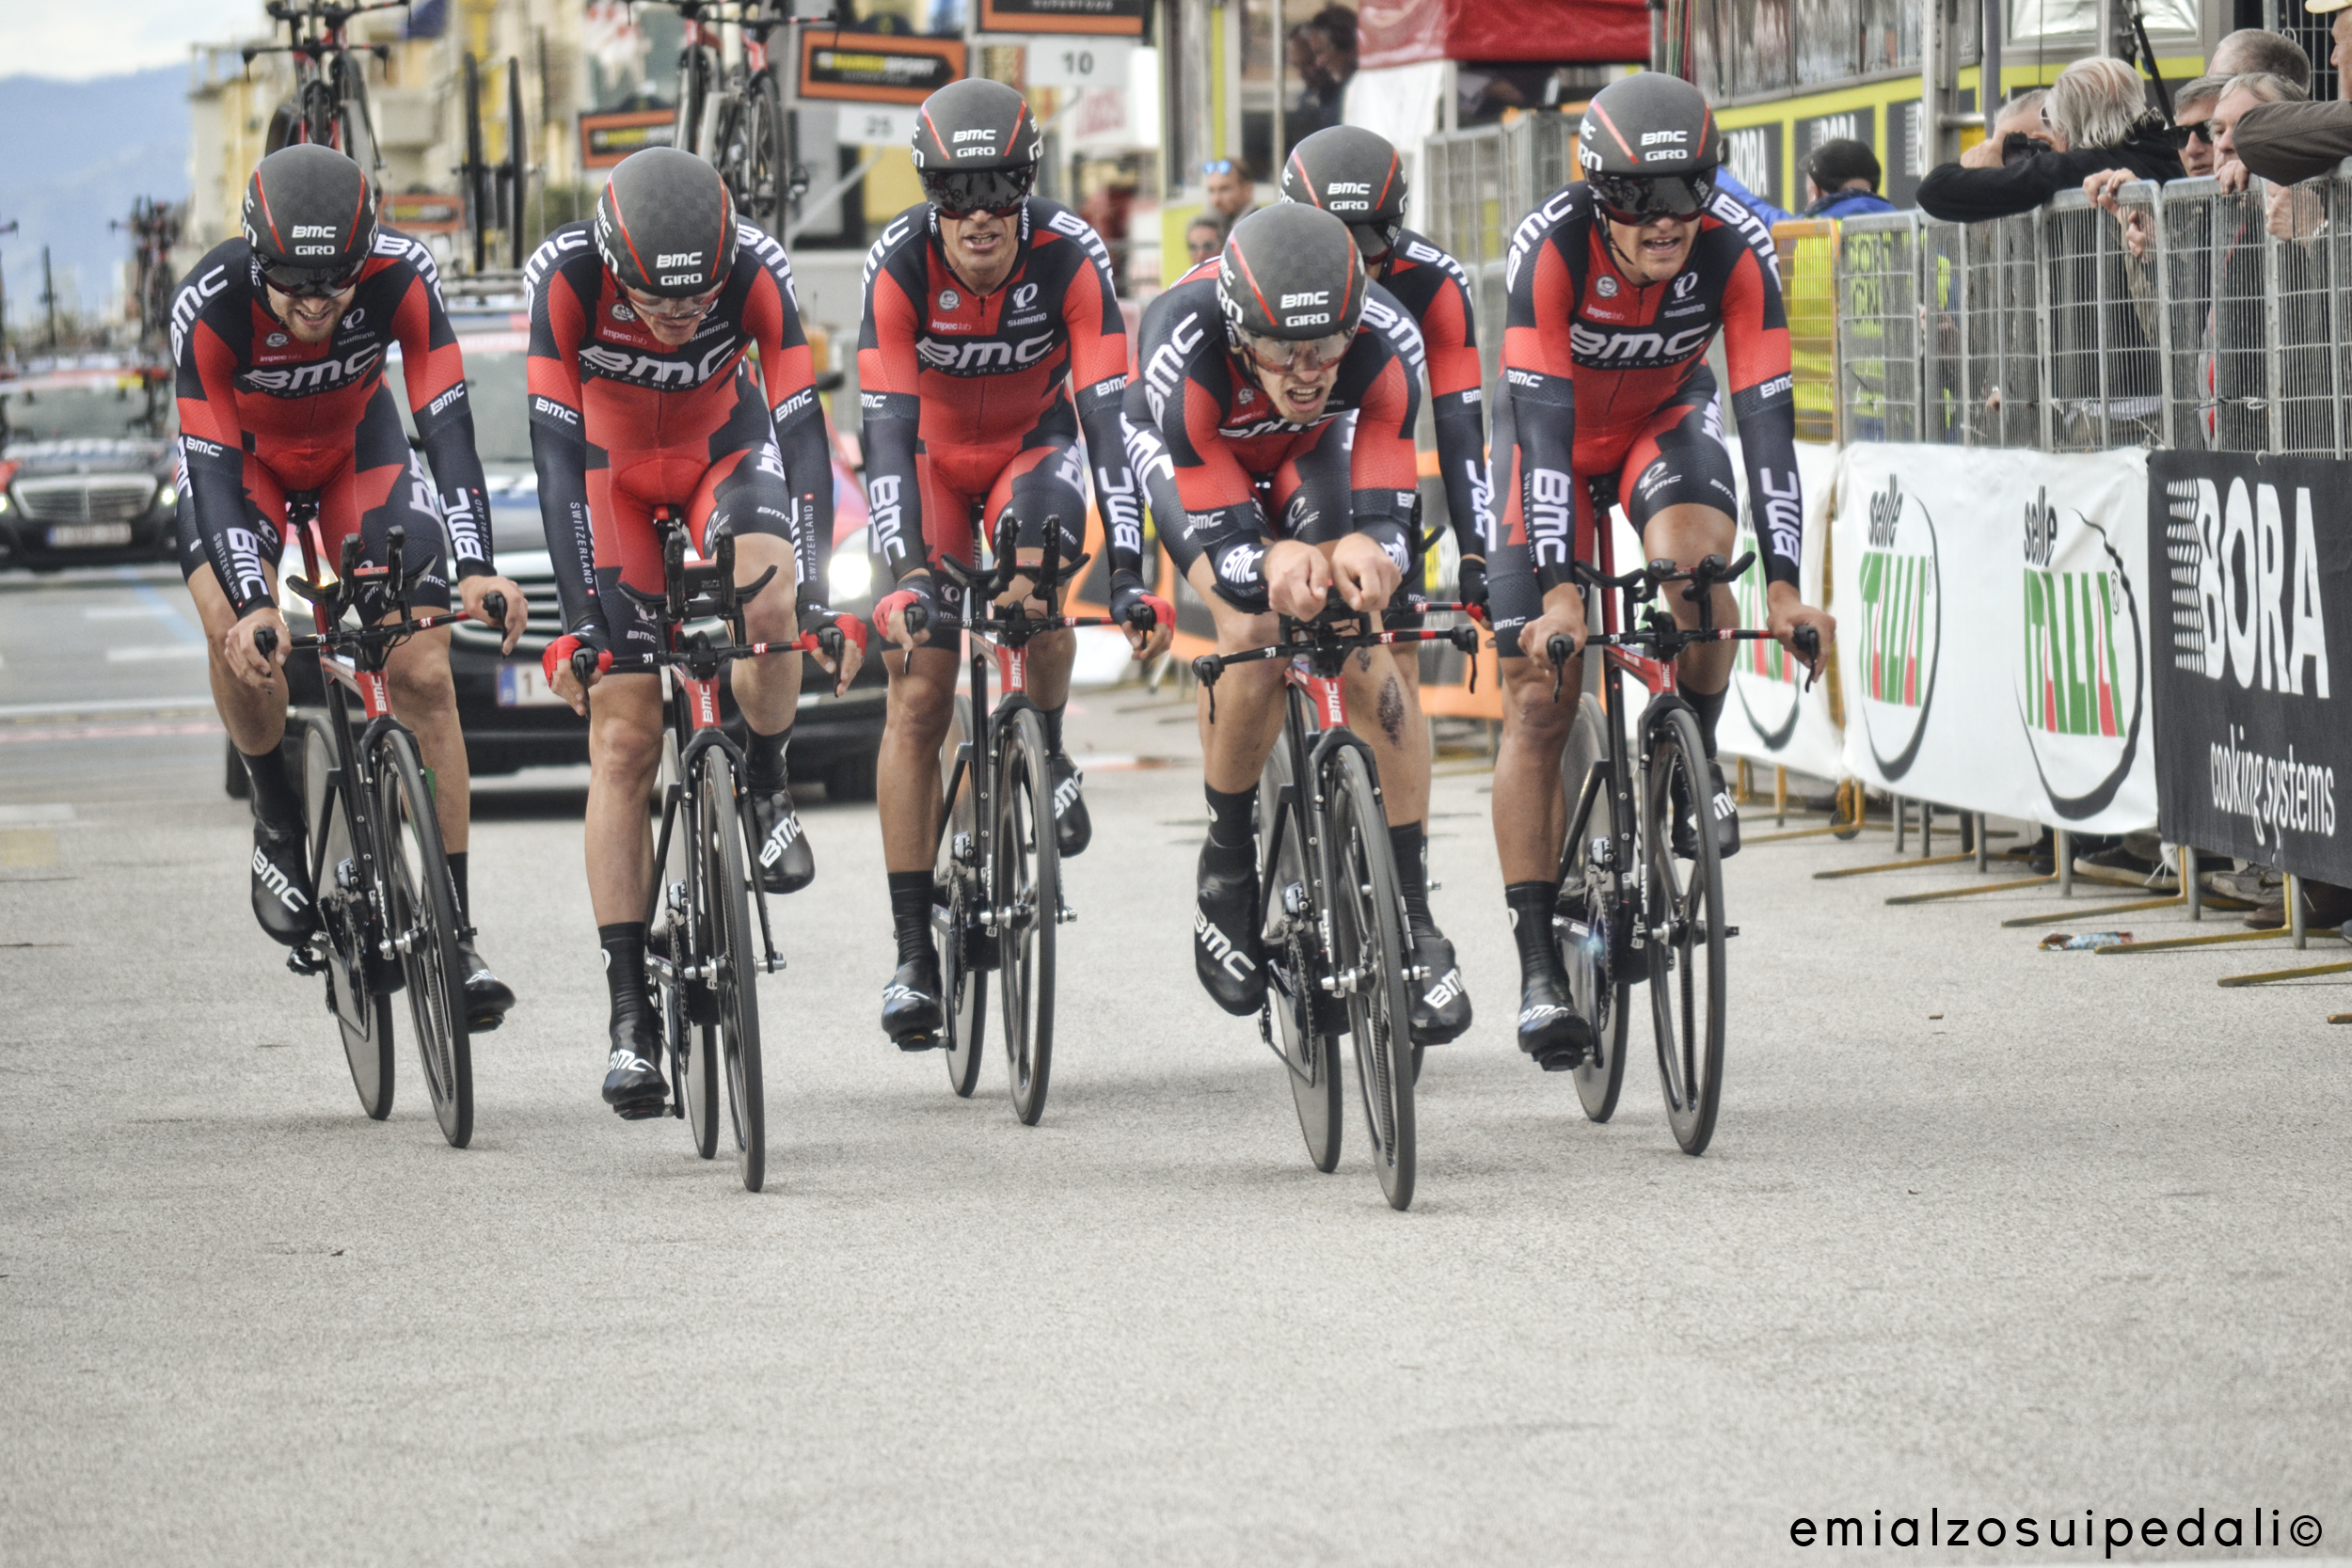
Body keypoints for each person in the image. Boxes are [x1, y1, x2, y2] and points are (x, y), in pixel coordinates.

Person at [1486, 71, 1835, 1069]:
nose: (1666, 219)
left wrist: (1783, 589)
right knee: (1538, 696)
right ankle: (1538, 967)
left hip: (1662, 422)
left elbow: (1767, 423)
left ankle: (1691, 758)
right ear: (1600, 194)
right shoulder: (1552, 246)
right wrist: (1562, 595)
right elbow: (1541, 433)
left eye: (1687, 191)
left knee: (1699, 573)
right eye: (1638, 197)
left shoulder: (1736, 246)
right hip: (1549, 442)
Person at [529, 147, 855, 1116]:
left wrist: (817, 597)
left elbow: (801, 428)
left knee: (770, 600)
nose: (678, 318)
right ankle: (630, 1012)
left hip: (723, 450)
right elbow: (555, 460)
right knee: (625, 738)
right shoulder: (566, 276)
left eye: (696, 300)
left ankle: (766, 780)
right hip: (611, 474)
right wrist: (581, 624)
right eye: (654, 301)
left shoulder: (756, 264)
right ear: (614, 266)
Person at [175, 143, 523, 1028]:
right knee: (234, 631)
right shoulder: (209, 303)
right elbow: (209, 471)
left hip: (355, 453)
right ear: (257, 259)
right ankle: (275, 816)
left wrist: (477, 563)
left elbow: (447, 426)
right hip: (243, 465)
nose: (316, 302)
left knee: (425, 673)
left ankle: (456, 929)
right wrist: (255, 602)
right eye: (293, 284)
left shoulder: (402, 274)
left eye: (336, 282)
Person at [860, 78, 1168, 1049]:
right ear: (930, 195)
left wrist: (1130, 570)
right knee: (920, 691)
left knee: (1038, 578)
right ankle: (913, 951)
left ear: (1028, 184)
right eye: (956, 193)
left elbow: (1110, 425)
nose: (980, 214)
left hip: (1031, 450)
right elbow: (883, 434)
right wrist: (906, 571)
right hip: (927, 462)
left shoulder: (1071, 253)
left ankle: (1050, 742)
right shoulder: (897, 263)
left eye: (1000, 188)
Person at [1125, 203, 1473, 1047]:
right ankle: (1226, 867)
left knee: (1359, 637)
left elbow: (1389, 518)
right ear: (1243, 331)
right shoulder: (1185, 346)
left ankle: (1414, 912)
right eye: (1284, 347)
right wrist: (1273, 560)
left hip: (1306, 446)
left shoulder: (1382, 340)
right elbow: (1230, 552)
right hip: (1197, 448)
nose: (1309, 368)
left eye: (1327, 345)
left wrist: (1369, 551)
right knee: (1253, 633)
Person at [1279, 123, 1487, 1043]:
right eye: (1337, 241)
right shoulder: (1260, 270)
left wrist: (1477, 554)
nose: (1356, 264)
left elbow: (1461, 427)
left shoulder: (1432, 283)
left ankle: (1408, 891)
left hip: (1376, 451)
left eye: (1374, 243)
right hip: (1282, 452)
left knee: (1389, 662)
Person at [1917, 58, 2184, 222]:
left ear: (2069, 125)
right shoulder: (2168, 154)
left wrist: (1989, 159)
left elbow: (1933, 191)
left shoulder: (2081, 167)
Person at [1711, 137, 1896, 228]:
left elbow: (1752, 213)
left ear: (1816, 193)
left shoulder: (1803, 236)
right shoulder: (1907, 232)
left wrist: (1710, 168)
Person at [1201, 158, 1258, 236]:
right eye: (1211, 191)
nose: (1216, 200)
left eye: (1224, 189)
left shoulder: (1258, 227)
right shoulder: (1217, 230)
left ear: (1247, 189)